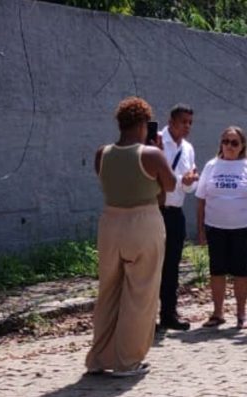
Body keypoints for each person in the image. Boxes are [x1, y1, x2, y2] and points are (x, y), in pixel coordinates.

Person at [85, 97, 176, 377]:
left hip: (111, 222)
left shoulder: (103, 153)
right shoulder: (151, 155)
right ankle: (128, 361)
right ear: (142, 124)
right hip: (143, 222)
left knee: (109, 291)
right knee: (141, 292)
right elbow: (170, 185)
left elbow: (104, 178)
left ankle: (99, 358)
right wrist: (159, 152)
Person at [195, 127, 247, 329]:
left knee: (241, 273)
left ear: (242, 145)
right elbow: (201, 200)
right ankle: (217, 313)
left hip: (242, 228)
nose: (229, 146)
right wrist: (201, 230)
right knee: (217, 271)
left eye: (234, 143)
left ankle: (241, 314)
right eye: (225, 141)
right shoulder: (211, 166)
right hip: (215, 228)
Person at [156, 104, 199, 331]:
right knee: (152, 265)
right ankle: (147, 317)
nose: (188, 127)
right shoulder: (156, 141)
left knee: (172, 266)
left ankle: (169, 314)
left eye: (190, 122)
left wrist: (190, 182)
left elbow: (187, 187)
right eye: (184, 122)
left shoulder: (188, 148)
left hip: (175, 212)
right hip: (155, 211)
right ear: (171, 121)